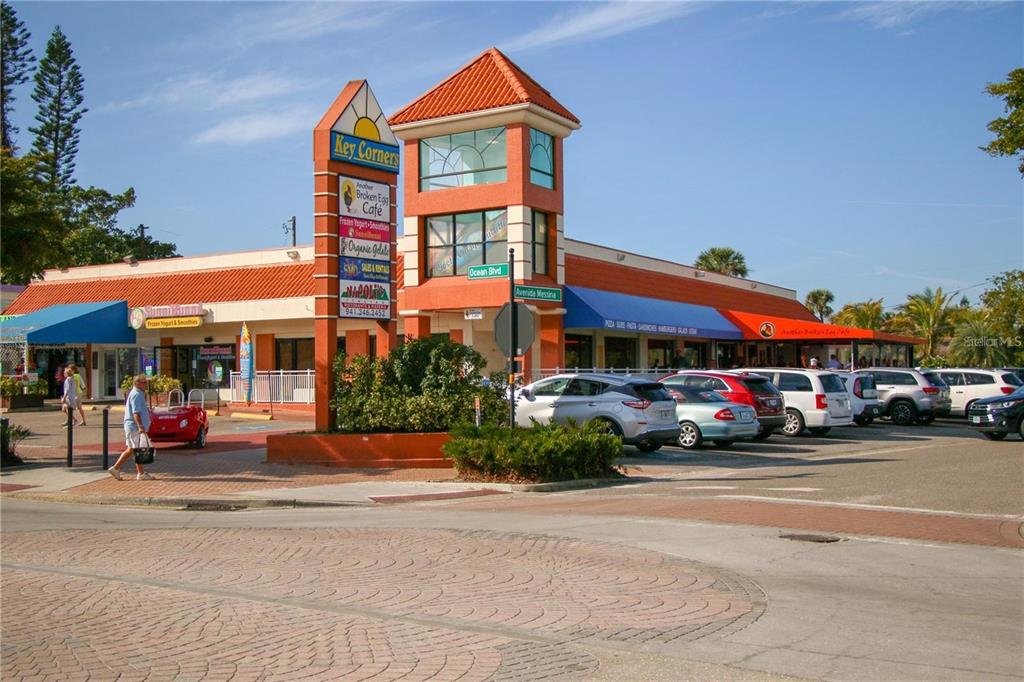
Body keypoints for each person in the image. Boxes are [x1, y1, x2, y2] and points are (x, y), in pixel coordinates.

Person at [108, 374, 155, 481]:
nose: (146, 384)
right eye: (144, 382)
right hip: (134, 427)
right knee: (134, 449)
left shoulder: (138, 394)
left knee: (134, 449)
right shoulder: (137, 395)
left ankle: (139, 472)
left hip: (133, 426)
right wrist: (140, 426)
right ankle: (117, 468)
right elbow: (136, 413)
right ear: (137, 383)